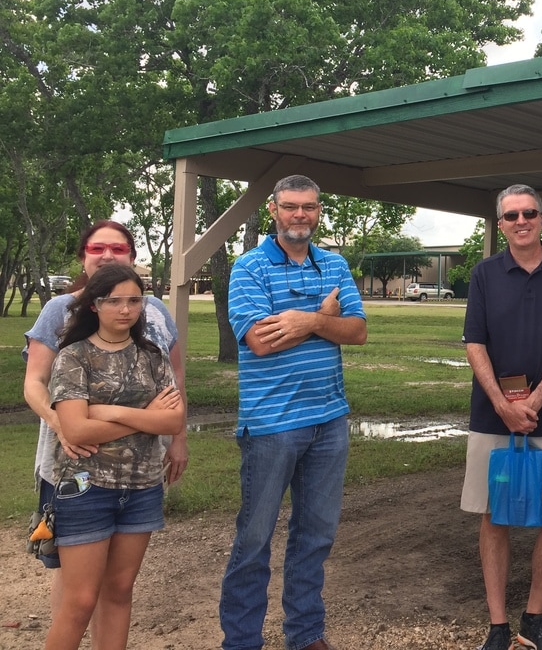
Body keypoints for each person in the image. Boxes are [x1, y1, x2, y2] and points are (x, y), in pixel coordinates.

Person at [219, 174, 367, 650]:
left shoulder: (336, 264)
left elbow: (358, 331)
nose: (299, 215)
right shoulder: (249, 267)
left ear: (319, 210)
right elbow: (260, 342)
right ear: (274, 211)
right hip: (271, 424)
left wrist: (304, 320)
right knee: (254, 539)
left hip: (329, 419)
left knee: (316, 535)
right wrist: (324, 320)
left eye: (308, 207)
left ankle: (305, 635)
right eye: (290, 207)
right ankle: (241, 641)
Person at [23, 219, 187, 644]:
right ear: (94, 304)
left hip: (140, 484)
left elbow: (172, 417)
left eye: (134, 300)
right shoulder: (72, 348)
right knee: (78, 600)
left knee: (119, 590)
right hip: (82, 480)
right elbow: (70, 423)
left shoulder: (151, 350)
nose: (126, 309)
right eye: (115, 301)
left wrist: (107, 411)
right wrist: (138, 415)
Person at [460, 184, 542, 650]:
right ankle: (497, 626)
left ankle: (534, 616)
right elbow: (474, 342)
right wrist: (501, 405)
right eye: (510, 216)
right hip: (493, 418)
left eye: (528, 212)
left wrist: (531, 404)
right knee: (495, 517)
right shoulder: (484, 273)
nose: (520, 222)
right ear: (501, 223)